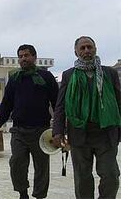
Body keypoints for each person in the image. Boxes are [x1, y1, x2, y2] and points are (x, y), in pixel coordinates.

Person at [52, 36, 120, 199]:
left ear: (95, 49)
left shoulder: (109, 73)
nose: (86, 51)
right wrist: (57, 131)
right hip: (79, 134)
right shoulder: (68, 75)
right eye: (82, 48)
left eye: (89, 47)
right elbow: (60, 106)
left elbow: (119, 102)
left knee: (111, 176)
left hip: (106, 133)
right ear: (76, 52)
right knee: (82, 179)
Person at [0, 44, 59, 199]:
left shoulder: (46, 77)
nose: (23, 59)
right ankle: (22, 192)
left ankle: (40, 195)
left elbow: (57, 103)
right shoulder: (15, 78)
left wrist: (61, 126)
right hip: (19, 131)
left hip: (41, 131)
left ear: (34, 57)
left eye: (26, 55)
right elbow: (7, 103)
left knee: (42, 167)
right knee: (16, 163)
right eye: (20, 56)